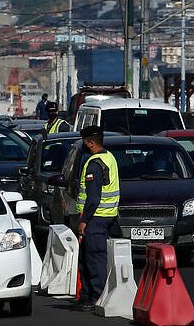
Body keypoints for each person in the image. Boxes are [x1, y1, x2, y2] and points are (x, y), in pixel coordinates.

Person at [72, 125, 121, 312]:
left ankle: (96, 297)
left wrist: (84, 220)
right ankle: (86, 295)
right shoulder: (110, 158)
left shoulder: (94, 164)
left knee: (94, 259)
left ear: (91, 143)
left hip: (96, 218)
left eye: (85, 142)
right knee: (86, 257)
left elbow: (93, 197)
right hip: (106, 217)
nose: (84, 145)